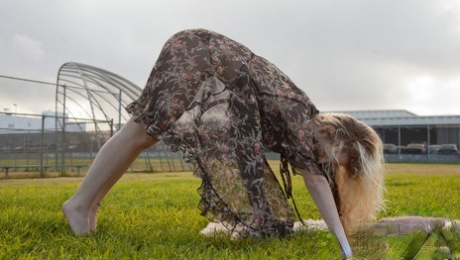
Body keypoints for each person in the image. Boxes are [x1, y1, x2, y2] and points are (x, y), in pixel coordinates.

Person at [62, 29, 385, 259]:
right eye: (336, 157)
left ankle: (88, 204)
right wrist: (345, 250)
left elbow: (318, 179)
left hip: (201, 52)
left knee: (144, 134)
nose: (325, 162)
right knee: (143, 129)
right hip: (198, 51)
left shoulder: (303, 118)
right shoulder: (303, 121)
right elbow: (315, 182)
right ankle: (80, 203)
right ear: (332, 132)